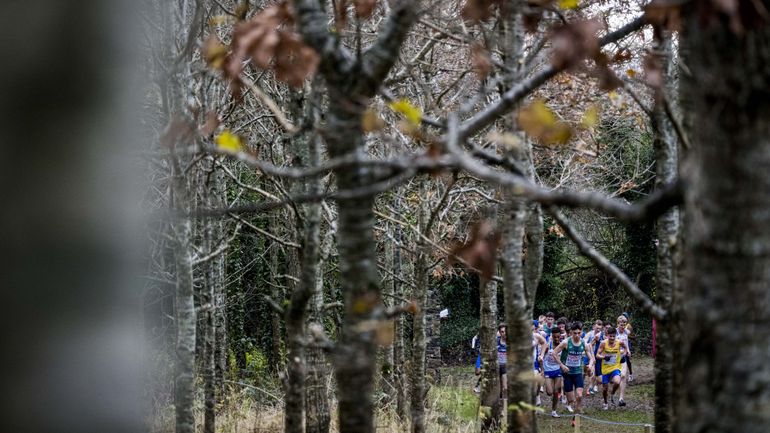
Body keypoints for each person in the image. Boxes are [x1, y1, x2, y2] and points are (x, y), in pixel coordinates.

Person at [553, 322, 594, 414]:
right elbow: (554, 353)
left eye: (579, 333)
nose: (577, 335)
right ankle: (570, 404)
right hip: (567, 373)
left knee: (579, 395)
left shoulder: (584, 343)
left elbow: (591, 358)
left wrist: (590, 365)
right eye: (574, 333)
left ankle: (577, 412)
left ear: (581, 332)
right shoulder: (566, 342)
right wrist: (562, 365)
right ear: (571, 332)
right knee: (571, 399)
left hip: (578, 372)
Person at [597, 327, 627, 410]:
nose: (612, 338)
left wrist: (624, 353)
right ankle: (605, 403)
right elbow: (597, 355)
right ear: (607, 336)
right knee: (605, 388)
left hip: (615, 367)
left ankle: (612, 394)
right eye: (610, 336)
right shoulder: (603, 343)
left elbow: (625, 347)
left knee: (617, 382)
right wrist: (604, 357)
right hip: (605, 368)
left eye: (614, 336)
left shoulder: (619, 342)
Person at [541, 326, 564, 417]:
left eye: (558, 337)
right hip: (548, 370)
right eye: (554, 337)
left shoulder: (562, 345)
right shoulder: (548, 345)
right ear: (551, 336)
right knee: (549, 392)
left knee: (555, 392)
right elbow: (541, 356)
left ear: (560, 336)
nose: (556, 339)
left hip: (557, 370)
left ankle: (554, 411)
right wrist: (542, 369)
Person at [584, 320, 604, 395]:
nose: (598, 330)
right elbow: (585, 344)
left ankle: (594, 386)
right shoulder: (589, 334)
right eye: (597, 328)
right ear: (594, 327)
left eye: (599, 328)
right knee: (590, 372)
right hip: (589, 355)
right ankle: (589, 388)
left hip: (598, 357)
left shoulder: (602, 335)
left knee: (599, 378)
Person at [615, 315, 631, 406]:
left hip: (623, 357)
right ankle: (612, 393)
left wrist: (628, 350)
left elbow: (626, 342)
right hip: (615, 359)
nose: (623, 326)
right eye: (621, 324)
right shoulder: (615, 332)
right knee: (615, 379)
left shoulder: (626, 332)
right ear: (618, 324)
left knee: (624, 375)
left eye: (624, 323)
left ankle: (621, 398)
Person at [532, 320, 547, 406]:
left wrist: (541, 354)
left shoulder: (536, 336)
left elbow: (544, 343)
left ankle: (537, 395)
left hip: (534, 363)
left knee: (537, 384)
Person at [621, 312, 634, 382]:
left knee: (627, 360)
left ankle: (631, 374)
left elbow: (632, 336)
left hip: (627, 344)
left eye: (624, 317)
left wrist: (626, 335)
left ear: (627, 318)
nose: (623, 318)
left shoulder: (629, 326)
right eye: (622, 316)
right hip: (620, 345)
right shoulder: (620, 325)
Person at [497, 323, 508, 399]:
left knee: (505, 388)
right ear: (499, 332)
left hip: (506, 367)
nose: (504, 333)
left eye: (505, 331)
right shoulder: (495, 341)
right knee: (498, 390)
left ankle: (505, 407)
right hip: (496, 366)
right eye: (502, 331)